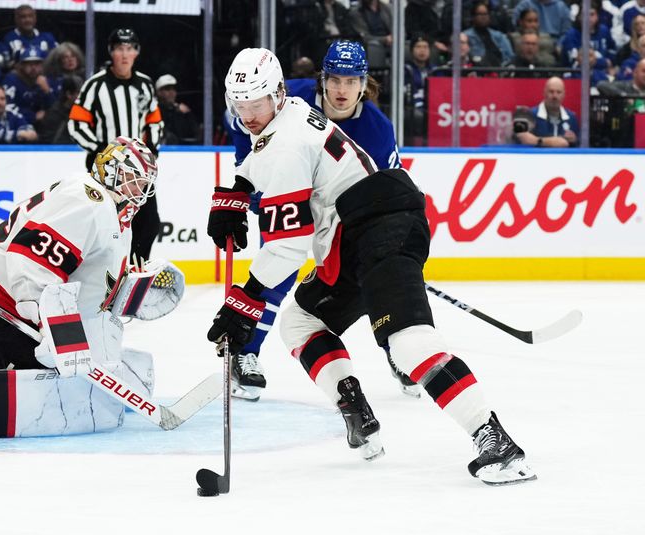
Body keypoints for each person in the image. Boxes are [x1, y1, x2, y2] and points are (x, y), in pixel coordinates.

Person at [207, 47, 537, 485]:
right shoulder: (293, 112)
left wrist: (242, 302)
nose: (249, 115)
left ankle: (496, 442)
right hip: (352, 239)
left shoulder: (287, 143)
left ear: (278, 94)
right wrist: (238, 189)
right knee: (300, 323)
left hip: (381, 228)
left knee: (407, 344)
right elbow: (263, 157)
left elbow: (288, 245)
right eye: (240, 106)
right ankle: (355, 409)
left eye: (257, 103)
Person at [0, 137, 170, 442]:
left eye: (145, 184)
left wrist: (132, 293)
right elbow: (32, 258)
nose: (140, 191)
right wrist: (47, 322)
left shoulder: (113, 213)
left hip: (13, 302)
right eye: (134, 181)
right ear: (111, 171)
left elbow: (91, 288)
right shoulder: (89, 202)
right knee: (50, 391)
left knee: (74, 384)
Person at [223, 40, 409, 402]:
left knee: (376, 279)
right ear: (322, 79)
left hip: (342, 221)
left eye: (351, 81)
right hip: (289, 200)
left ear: (364, 83)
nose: (342, 90)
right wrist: (259, 192)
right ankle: (246, 353)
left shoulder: (378, 129)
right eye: (335, 80)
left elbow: (389, 189)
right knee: (274, 274)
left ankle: (398, 352)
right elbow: (242, 126)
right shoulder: (288, 100)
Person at [68, 28, 163, 263]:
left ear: (136, 53)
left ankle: (134, 272)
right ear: (111, 52)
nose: (124, 54)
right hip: (105, 169)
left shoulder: (145, 85)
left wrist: (149, 153)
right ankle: (104, 276)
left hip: (137, 170)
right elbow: (76, 124)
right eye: (120, 48)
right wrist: (102, 150)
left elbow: (155, 122)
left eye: (129, 48)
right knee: (106, 224)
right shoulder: (95, 85)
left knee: (149, 223)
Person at [514, 76, 579, 147]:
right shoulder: (528, 114)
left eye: (559, 92)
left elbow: (579, 145)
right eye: (551, 91)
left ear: (564, 95)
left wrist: (574, 140)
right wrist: (552, 142)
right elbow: (520, 137)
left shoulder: (571, 117)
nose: (555, 96)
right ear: (544, 93)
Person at [2, 45, 55, 125]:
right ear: (21, 65)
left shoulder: (45, 80)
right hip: (18, 123)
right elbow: (6, 107)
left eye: (37, 64)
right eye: (29, 64)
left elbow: (55, 108)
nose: (33, 68)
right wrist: (33, 116)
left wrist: (47, 91)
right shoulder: (11, 80)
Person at [463, 1, 514, 67]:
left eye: (485, 14)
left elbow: (510, 57)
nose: (483, 17)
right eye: (480, 14)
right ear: (473, 16)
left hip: (502, 70)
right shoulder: (466, 36)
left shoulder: (499, 36)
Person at [155, 73, 201, 145]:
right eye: (167, 89)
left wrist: (187, 114)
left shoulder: (181, 111)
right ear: (159, 92)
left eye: (173, 89)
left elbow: (196, 134)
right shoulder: (153, 110)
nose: (171, 92)